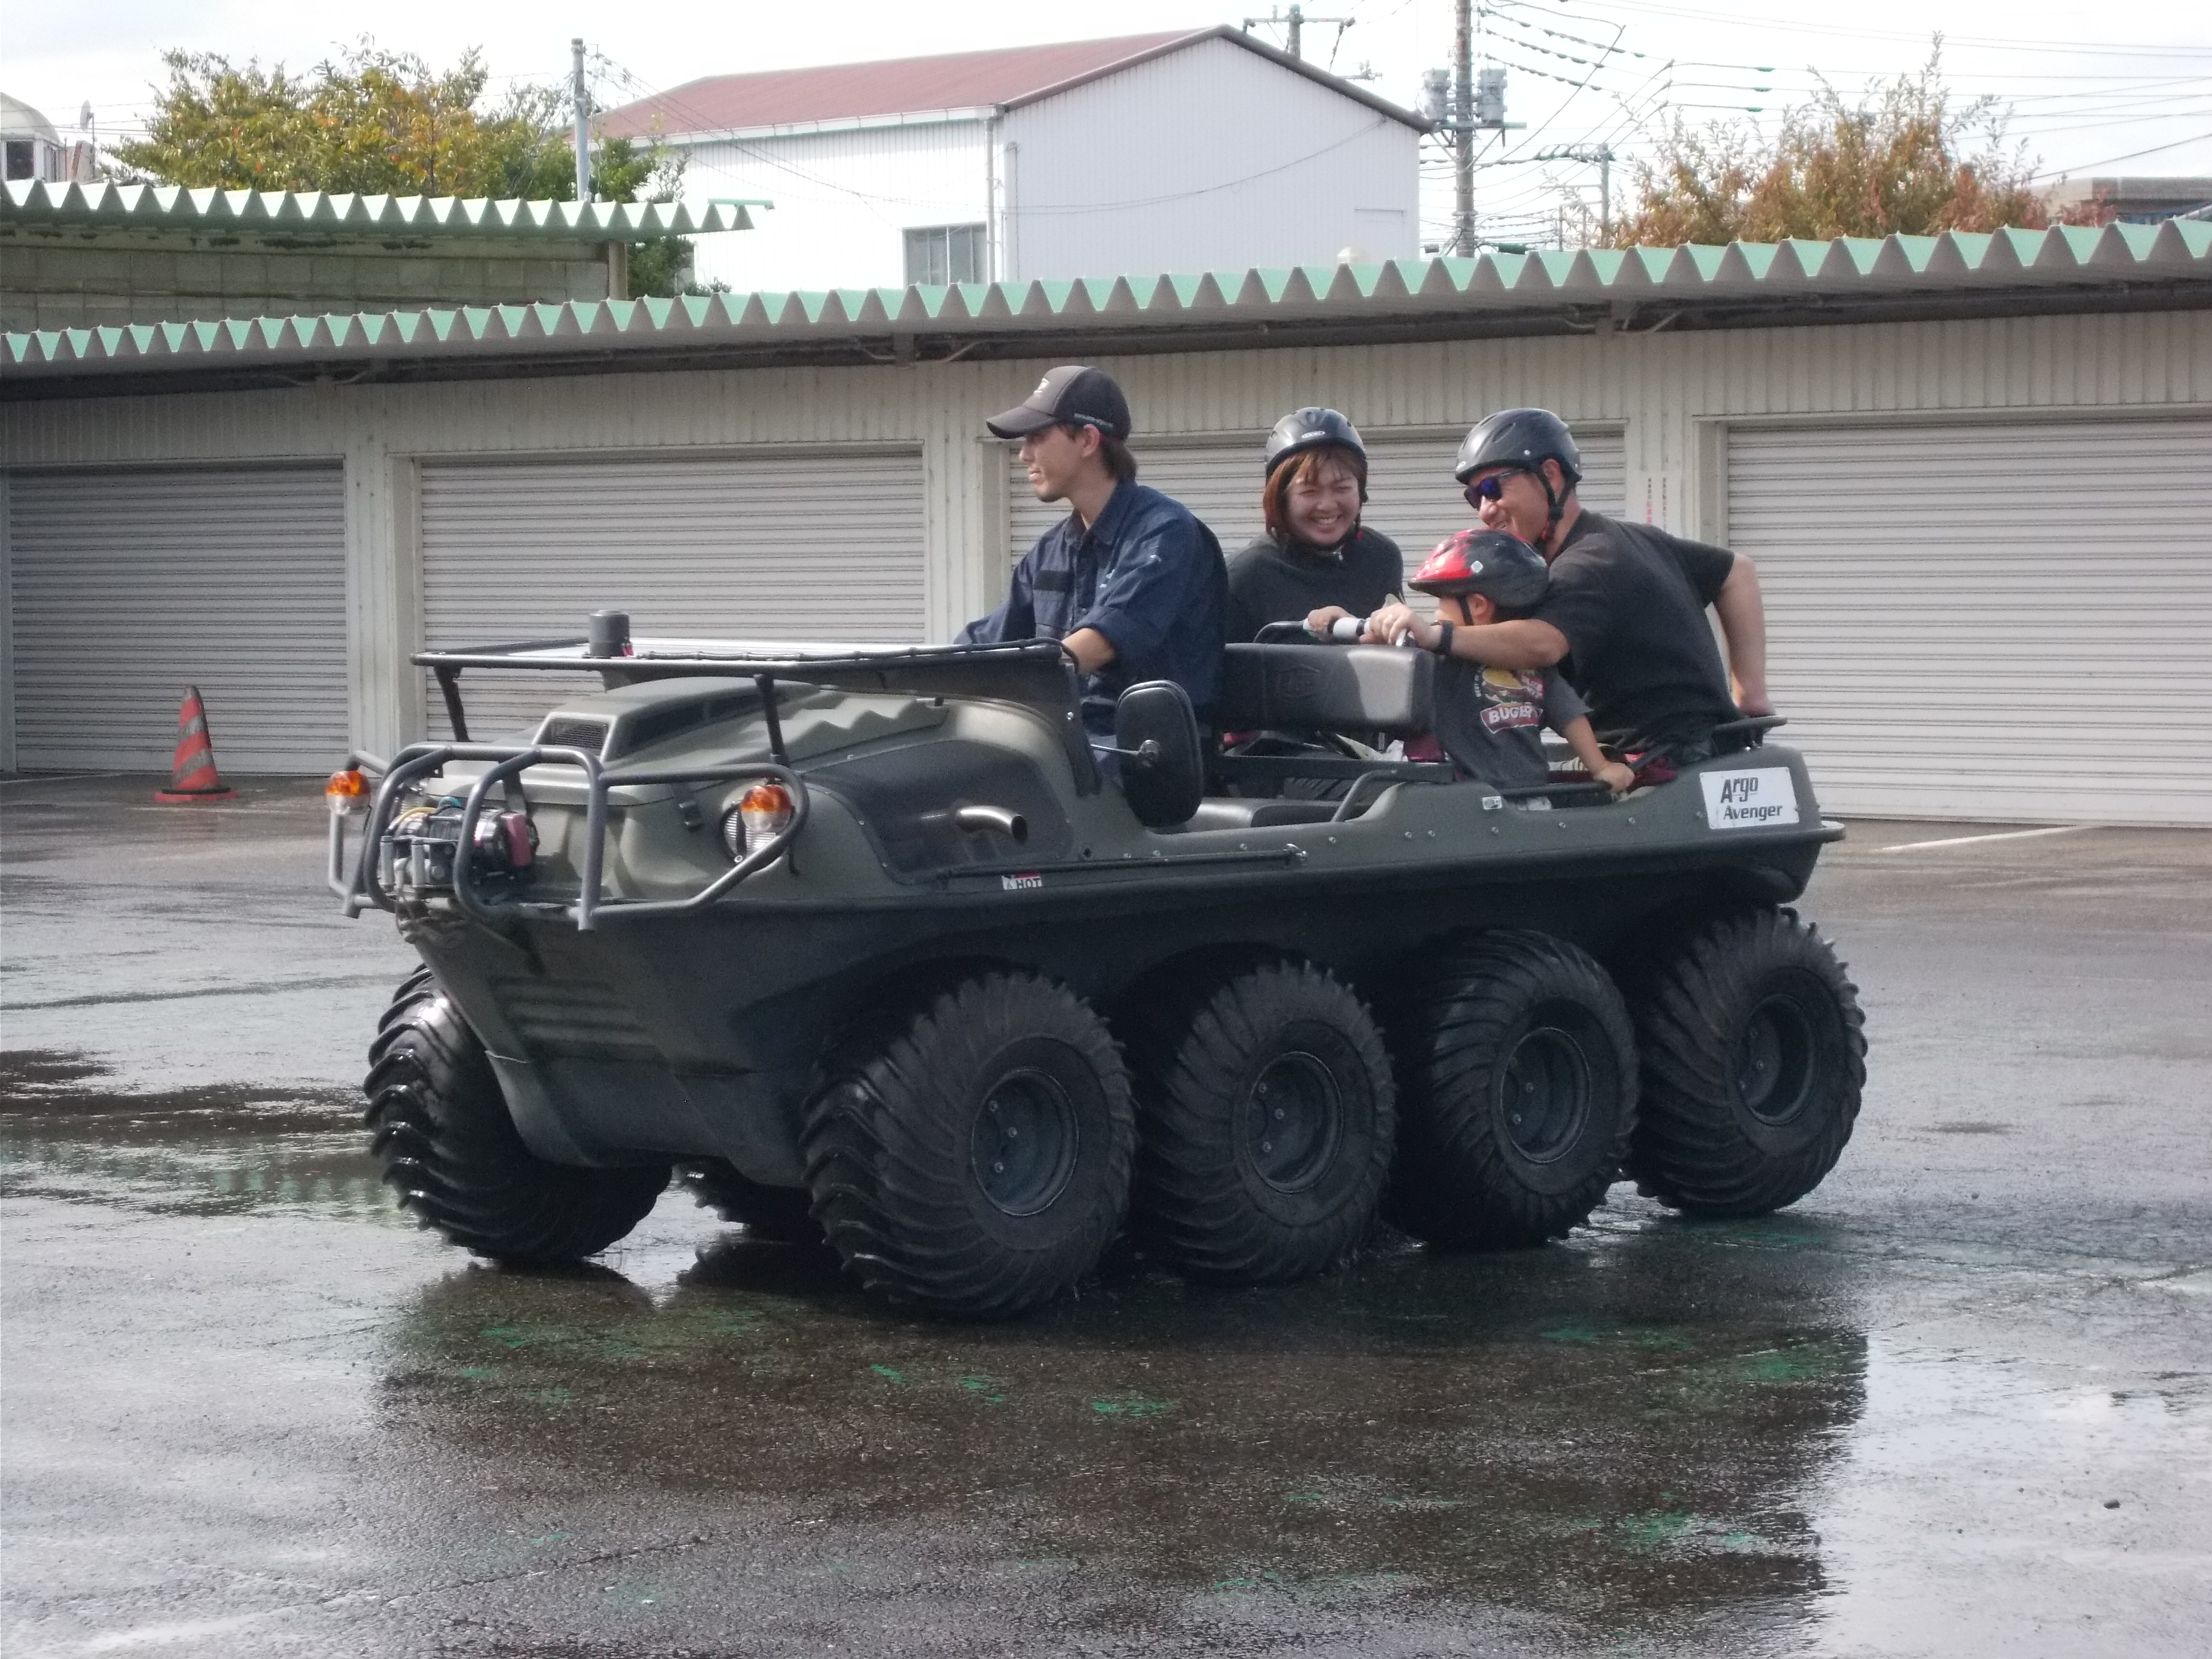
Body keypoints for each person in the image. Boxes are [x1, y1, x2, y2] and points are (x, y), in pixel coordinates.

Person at [1392, 408, 1771, 774]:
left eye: (1493, 489)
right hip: (1702, 754)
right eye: (1475, 497)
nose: (1485, 510)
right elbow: (1737, 572)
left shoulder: (1587, 564)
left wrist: (1436, 636)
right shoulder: (1629, 538)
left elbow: (1543, 644)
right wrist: (1751, 696)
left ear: (1551, 475)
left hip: (1660, 765)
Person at [957, 365, 1226, 745]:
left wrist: (1017, 679)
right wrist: (901, 673)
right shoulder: (1052, 550)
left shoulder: (1166, 533)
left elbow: (1099, 642)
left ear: (1087, 440)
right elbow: (989, 643)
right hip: (1071, 749)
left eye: (1037, 437)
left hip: (1148, 759)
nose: (1023, 455)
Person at [1362, 530, 1636, 795]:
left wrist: (1600, 766)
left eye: (1442, 600)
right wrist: (1355, 623)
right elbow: (1386, 654)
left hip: (1527, 801)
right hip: (1463, 802)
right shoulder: (1438, 657)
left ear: (1478, 605)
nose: (1436, 613)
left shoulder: (1532, 664)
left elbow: (1570, 718)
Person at [1223, 408, 1404, 642]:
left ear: (1361, 492)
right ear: (1280, 499)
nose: (1327, 506)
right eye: (1309, 491)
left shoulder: (1380, 557)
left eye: (1342, 488)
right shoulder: (1244, 575)